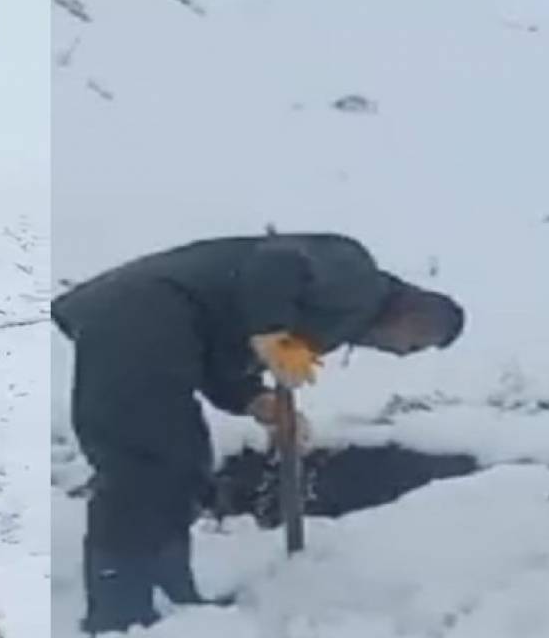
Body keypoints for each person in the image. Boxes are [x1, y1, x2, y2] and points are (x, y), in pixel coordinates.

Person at [51, 231, 465, 634]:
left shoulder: (336, 319)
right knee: (145, 462)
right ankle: (119, 613)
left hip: (165, 325)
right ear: (416, 316)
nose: (399, 354)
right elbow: (276, 262)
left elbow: (223, 357)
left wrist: (258, 401)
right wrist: (272, 333)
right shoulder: (356, 274)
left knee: (180, 464)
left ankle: (171, 598)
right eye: (413, 345)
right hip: (146, 309)